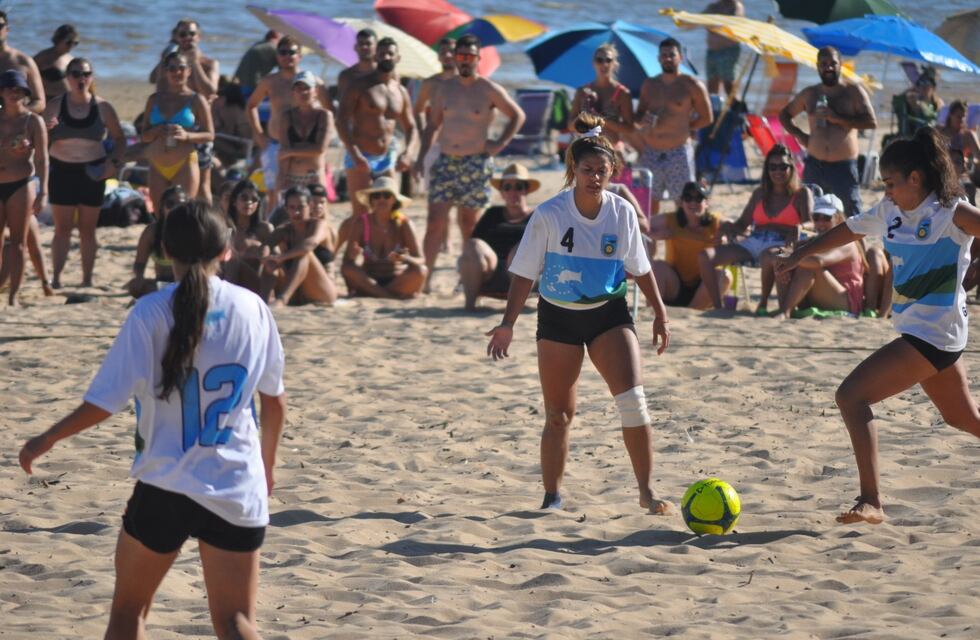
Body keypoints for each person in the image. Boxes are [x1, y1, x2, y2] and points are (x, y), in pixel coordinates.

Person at [19, 200, 286, 639]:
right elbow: (275, 403)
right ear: (226, 250)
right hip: (238, 484)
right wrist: (267, 467)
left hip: (167, 483)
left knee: (128, 614)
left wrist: (46, 438)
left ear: (164, 250)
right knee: (236, 622)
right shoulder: (253, 308)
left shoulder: (151, 311)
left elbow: (105, 403)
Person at [774, 127, 980, 525]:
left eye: (890, 183)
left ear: (915, 179)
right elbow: (847, 230)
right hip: (924, 334)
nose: (886, 191)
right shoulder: (890, 212)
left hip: (933, 337)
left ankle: (872, 501)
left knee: (851, 397)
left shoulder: (951, 212)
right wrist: (802, 252)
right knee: (963, 419)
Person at [485, 114, 671, 513]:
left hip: (608, 314)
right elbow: (523, 275)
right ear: (574, 170)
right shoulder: (550, 213)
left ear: (612, 172)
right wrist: (507, 324)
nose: (594, 178)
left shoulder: (621, 213)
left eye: (602, 171)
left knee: (634, 402)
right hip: (558, 318)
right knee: (559, 415)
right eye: (587, 170)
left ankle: (646, 491)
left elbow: (639, 267)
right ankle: (552, 496)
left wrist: (660, 313)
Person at [415, 35, 526, 292]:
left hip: (475, 162)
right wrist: (421, 157)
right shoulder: (444, 89)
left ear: (478, 59)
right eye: (461, 56)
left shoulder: (488, 89)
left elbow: (517, 115)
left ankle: (468, 276)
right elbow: (432, 125)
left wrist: (498, 144)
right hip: (446, 161)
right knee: (435, 221)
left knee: (469, 224)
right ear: (455, 58)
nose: (465, 61)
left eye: (470, 57)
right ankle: (425, 280)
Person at [44, 57, 126, 289]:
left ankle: (87, 279)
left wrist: (114, 164)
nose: (81, 79)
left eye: (86, 74)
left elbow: (120, 139)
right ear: (67, 78)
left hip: (94, 171)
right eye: (76, 74)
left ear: (92, 77)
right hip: (62, 169)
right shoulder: (56, 105)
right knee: (62, 229)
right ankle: (57, 279)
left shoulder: (102, 107)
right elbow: (38, 136)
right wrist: (46, 128)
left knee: (87, 230)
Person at [699, 145, 811, 312]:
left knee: (771, 256)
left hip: (783, 243)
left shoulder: (801, 193)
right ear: (767, 170)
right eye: (772, 167)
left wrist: (800, 226)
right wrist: (726, 227)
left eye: (783, 166)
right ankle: (718, 306)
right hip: (755, 240)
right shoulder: (760, 193)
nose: (777, 171)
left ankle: (763, 303)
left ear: (791, 168)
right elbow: (742, 224)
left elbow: (812, 223)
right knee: (705, 256)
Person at [780, 46, 876, 218]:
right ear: (817, 66)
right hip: (814, 164)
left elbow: (871, 122)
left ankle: (858, 246)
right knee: (808, 213)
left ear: (841, 65)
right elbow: (784, 115)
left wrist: (836, 118)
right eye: (824, 64)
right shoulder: (810, 93)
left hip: (844, 166)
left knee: (852, 215)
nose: (828, 67)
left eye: (833, 63)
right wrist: (800, 135)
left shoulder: (853, 91)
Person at [773, 193, 891, 319]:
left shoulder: (848, 244)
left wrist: (790, 259)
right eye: (816, 217)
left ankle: (784, 312)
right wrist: (784, 258)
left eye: (826, 218)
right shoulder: (813, 241)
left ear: (839, 219)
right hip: (826, 294)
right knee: (784, 265)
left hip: (847, 301)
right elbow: (780, 252)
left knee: (807, 266)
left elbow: (819, 261)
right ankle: (783, 309)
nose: (820, 222)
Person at [246, 36, 330, 206]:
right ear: (277, 56)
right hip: (276, 143)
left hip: (306, 146)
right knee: (274, 195)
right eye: (282, 52)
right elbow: (250, 106)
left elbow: (330, 111)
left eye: (291, 52)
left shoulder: (313, 82)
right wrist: (258, 135)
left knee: (309, 197)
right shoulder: (269, 81)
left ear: (300, 55)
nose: (286, 56)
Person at [633, 38, 713, 215]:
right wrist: (642, 120)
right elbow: (638, 116)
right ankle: (651, 239)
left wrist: (686, 126)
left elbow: (707, 117)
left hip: (678, 151)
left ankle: (681, 238)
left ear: (680, 58)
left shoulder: (691, 85)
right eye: (664, 55)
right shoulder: (650, 84)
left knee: (683, 199)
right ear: (658, 59)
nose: (668, 59)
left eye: (671, 55)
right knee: (649, 200)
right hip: (652, 149)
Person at [140, 51, 214, 213]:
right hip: (157, 163)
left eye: (181, 67)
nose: (177, 72)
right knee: (160, 215)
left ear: (189, 71)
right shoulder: (154, 99)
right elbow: (144, 136)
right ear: (165, 72)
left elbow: (210, 134)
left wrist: (187, 136)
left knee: (183, 213)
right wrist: (156, 131)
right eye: (172, 68)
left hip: (184, 163)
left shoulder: (197, 99)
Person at [458, 163, 537, 310]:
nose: (513, 192)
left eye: (518, 187)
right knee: (472, 244)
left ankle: (517, 304)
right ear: (502, 192)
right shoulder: (492, 214)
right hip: (491, 270)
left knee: (521, 249)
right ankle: (469, 306)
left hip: (525, 273)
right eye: (507, 187)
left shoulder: (537, 217)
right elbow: (474, 246)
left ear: (526, 190)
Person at [0, 70, 47, 306]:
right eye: (8, 88)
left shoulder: (32, 121)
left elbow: (42, 160)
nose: (13, 93)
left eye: (18, 89)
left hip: (22, 183)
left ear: (25, 93)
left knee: (19, 242)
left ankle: (14, 295)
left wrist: (43, 192)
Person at [341, 176, 426, 299]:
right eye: (376, 196)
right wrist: (352, 256)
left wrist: (405, 258)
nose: (381, 199)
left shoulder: (404, 223)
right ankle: (388, 295)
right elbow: (347, 263)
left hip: (396, 279)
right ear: (371, 200)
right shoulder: (361, 223)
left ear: (394, 200)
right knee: (348, 269)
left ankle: (377, 293)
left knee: (421, 271)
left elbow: (421, 259)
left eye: (386, 195)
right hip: (369, 278)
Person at [649, 181, 729, 309]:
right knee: (657, 267)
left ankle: (690, 312)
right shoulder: (671, 219)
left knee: (724, 275)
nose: (693, 203)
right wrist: (654, 235)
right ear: (681, 202)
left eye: (698, 198)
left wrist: (726, 238)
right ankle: (653, 310)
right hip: (674, 285)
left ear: (706, 202)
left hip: (704, 286)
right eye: (688, 198)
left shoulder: (715, 222)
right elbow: (638, 224)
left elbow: (741, 230)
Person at [260, 185, 338, 306]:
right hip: (297, 293)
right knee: (271, 263)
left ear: (310, 206)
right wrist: (266, 259)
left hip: (323, 291)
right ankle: (262, 299)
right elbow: (266, 245)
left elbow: (310, 244)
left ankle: (282, 299)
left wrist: (282, 257)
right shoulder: (284, 230)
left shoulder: (319, 225)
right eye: (292, 207)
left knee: (304, 254)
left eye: (301, 207)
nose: (296, 212)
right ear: (286, 209)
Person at [275, 71, 333, 199]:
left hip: (314, 177)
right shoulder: (287, 116)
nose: (303, 92)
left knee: (317, 217)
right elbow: (283, 153)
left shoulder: (324, 116)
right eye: (298, 89)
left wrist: (290, 151)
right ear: (293, 93)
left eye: (307, 88)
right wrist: (280, 183)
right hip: (291, 178)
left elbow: (319, 149)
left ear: (316, 91)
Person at [126, 185, 187, 299]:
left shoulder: (193, 231)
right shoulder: (152, 232)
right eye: (170, 204)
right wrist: (139, 276)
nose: (175, 208)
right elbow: (139, 262)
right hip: (162, 283)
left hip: (186, 284)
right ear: (162, 207)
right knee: (134, 286)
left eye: (180, 204)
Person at [567, 44, 633, 146]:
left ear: (614, 64)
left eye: (608, 60)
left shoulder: (622, 93)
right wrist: (584, 117)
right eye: (599, 60)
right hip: (586, 150)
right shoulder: (582, 91)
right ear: (594, 63)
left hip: (610, 149)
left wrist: (602, 120)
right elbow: (570, 126)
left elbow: (629, 129)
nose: (604, 64)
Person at [412, 37, 457, 189]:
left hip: (462, 145)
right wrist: (422, 132)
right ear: (438, 57)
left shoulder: (467, 83)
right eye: (443, 52)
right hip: (436, 145)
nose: (447, 55)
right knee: (435, 195)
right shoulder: (430, 83)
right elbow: (418, 110)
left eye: (451, 51)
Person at [223, 179, 272, 294]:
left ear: (258, 204)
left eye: (254, 199)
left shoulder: (264, 228)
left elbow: (276, 260)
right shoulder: (227, 227)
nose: (249, 202)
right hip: (230, 278)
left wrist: (259, 249)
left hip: (256, 281)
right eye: (244, 198)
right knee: (232, 261)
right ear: (234, 201)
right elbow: (220, 256)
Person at [0, 11, 45, 114]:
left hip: (17, 125)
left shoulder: (23, 61)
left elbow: (39, 101)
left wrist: (15, 115)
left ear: (7, 29)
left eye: (0, 26)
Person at [939, 100, 980, 204]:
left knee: (969, 188)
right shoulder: (940, 132)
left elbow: (978, 156)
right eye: (959, 116)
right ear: (951, 115)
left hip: (961, 171)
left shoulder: (968, 135)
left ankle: (972, 216)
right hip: (942, 170)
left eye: (964, 116)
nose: (962, 119)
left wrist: (971, 161)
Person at [703, 1, 744, 96]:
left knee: (728, 83)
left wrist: (715, 22)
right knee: (712, 83)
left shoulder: (735, 6)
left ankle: (735, 107)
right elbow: (697, 19)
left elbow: (735, 20)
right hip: (712, 51)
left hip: (728, 50)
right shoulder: (713, 7)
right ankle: (715, 107)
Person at [211, 77, 252, 170]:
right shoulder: (242, 107)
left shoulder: (230, 110)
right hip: (245, 147)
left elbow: (228, 132)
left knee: (210, 138)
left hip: (240, 149)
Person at [33, 24, 78, 101]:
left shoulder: (71, 59)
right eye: (69, 42)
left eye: (75, 43)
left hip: (67, 100)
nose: (72, 45)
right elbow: (28, 76)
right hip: (48, 100)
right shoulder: (43, 57)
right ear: (58, 40)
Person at [233, 30, 280, 96]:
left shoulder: (258, 44)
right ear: (275, 38)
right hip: (253, 85)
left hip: (238, 82)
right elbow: (283, 70)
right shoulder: (273, 48)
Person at [336, 29, 378, 99]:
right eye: (361, 43)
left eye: (368, 44)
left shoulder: (385, 74)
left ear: (376, 48)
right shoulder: (346, 76)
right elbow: (343, 106)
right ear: (355, 47)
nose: (364, 47)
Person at [903, 69, 943, 133]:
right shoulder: (914, 100)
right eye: (921, 83)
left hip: (933, 134)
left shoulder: (938, 102)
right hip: (918, 136)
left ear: (933, 87)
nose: (924, 86)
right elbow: (904, 97)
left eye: (927, 83)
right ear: (917, 87)